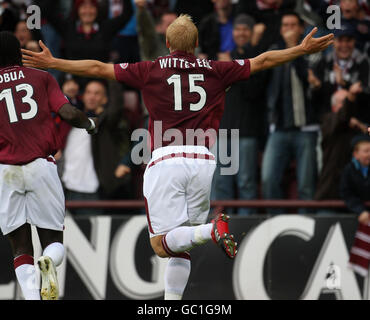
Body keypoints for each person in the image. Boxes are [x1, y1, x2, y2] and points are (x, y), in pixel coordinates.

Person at [22, 14, 334, 300]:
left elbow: (96, 68)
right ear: (196, 45)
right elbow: (263, 59)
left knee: (161, 245)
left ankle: (212, 230)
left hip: (166, 159)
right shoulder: (215, 70)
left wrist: (55, 63)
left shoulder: (150, 69)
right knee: (181, 243)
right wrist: (300, 50)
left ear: (168, 44)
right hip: (202, 159)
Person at [0, 31, 98, 300]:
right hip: (41, 166)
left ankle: (32, 297)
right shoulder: (41, 78)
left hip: (5, 171)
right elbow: (67, 112)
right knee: (53, 242)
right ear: (19, 54)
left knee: (19, 246)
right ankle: (49, 262)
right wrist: (88, 123)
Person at [261, 12, 320, 213]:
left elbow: (309, 79)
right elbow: (261, 86)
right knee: (269, 179)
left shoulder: (312, 52)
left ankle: (307, 227)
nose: (289, 29)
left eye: (293, 25)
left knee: (306, 184)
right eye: (285, 24)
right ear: (280, 28)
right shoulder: (274, 50)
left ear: (301, 28)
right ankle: (275, 224)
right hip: (278, 127)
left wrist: (296, 50)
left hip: (306, 128)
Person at [212, 13, 268, 215]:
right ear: (232, 32)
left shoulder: (258, 59)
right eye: (238, 29)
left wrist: (233, 66)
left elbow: (254, 92)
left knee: (246, 184)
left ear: (252, 33)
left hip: (247, 132)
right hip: (223, 130)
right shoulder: (223, 59)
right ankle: (220, 231)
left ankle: (247, 230)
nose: (241, 32)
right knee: (220, 185)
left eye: (245, 29)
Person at [315, 83, 367, 208]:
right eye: (343, 102)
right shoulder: (328, 121)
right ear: (334, 107)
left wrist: (363, 128)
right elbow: (341, 118)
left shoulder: (357, 125)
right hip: (330, 196)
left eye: (348, 102)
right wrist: (351, 96)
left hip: (357, 201)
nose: (347, 105)